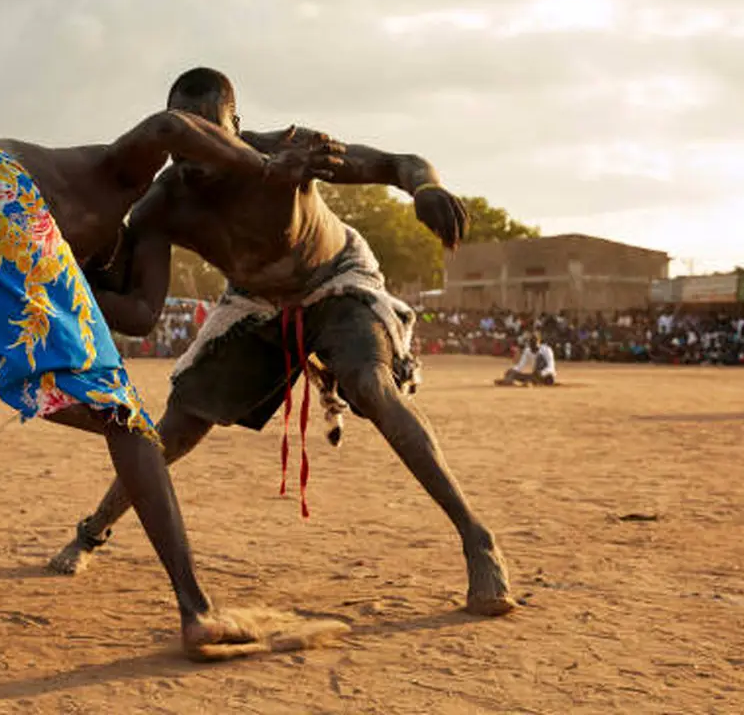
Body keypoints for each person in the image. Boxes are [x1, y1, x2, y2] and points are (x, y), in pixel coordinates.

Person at [0, 106, 345, 660]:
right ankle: (196, 610)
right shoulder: (118, 181)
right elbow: (169, 126)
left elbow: (137, 316)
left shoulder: (66, 211)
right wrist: (266, 167)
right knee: (125, 415)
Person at [47, 67, 514, 618]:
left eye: (211, 134)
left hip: (337, 278)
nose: (196, 157)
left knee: (370, 384)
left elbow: (398, 163)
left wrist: (426, 186)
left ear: (236, 127)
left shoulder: (289, 152)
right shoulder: (163, 205)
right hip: (254, 302)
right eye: (183, 142)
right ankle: (93, 530)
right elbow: (144, 314)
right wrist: (64, 282)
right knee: (178, 425)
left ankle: (476, 538)